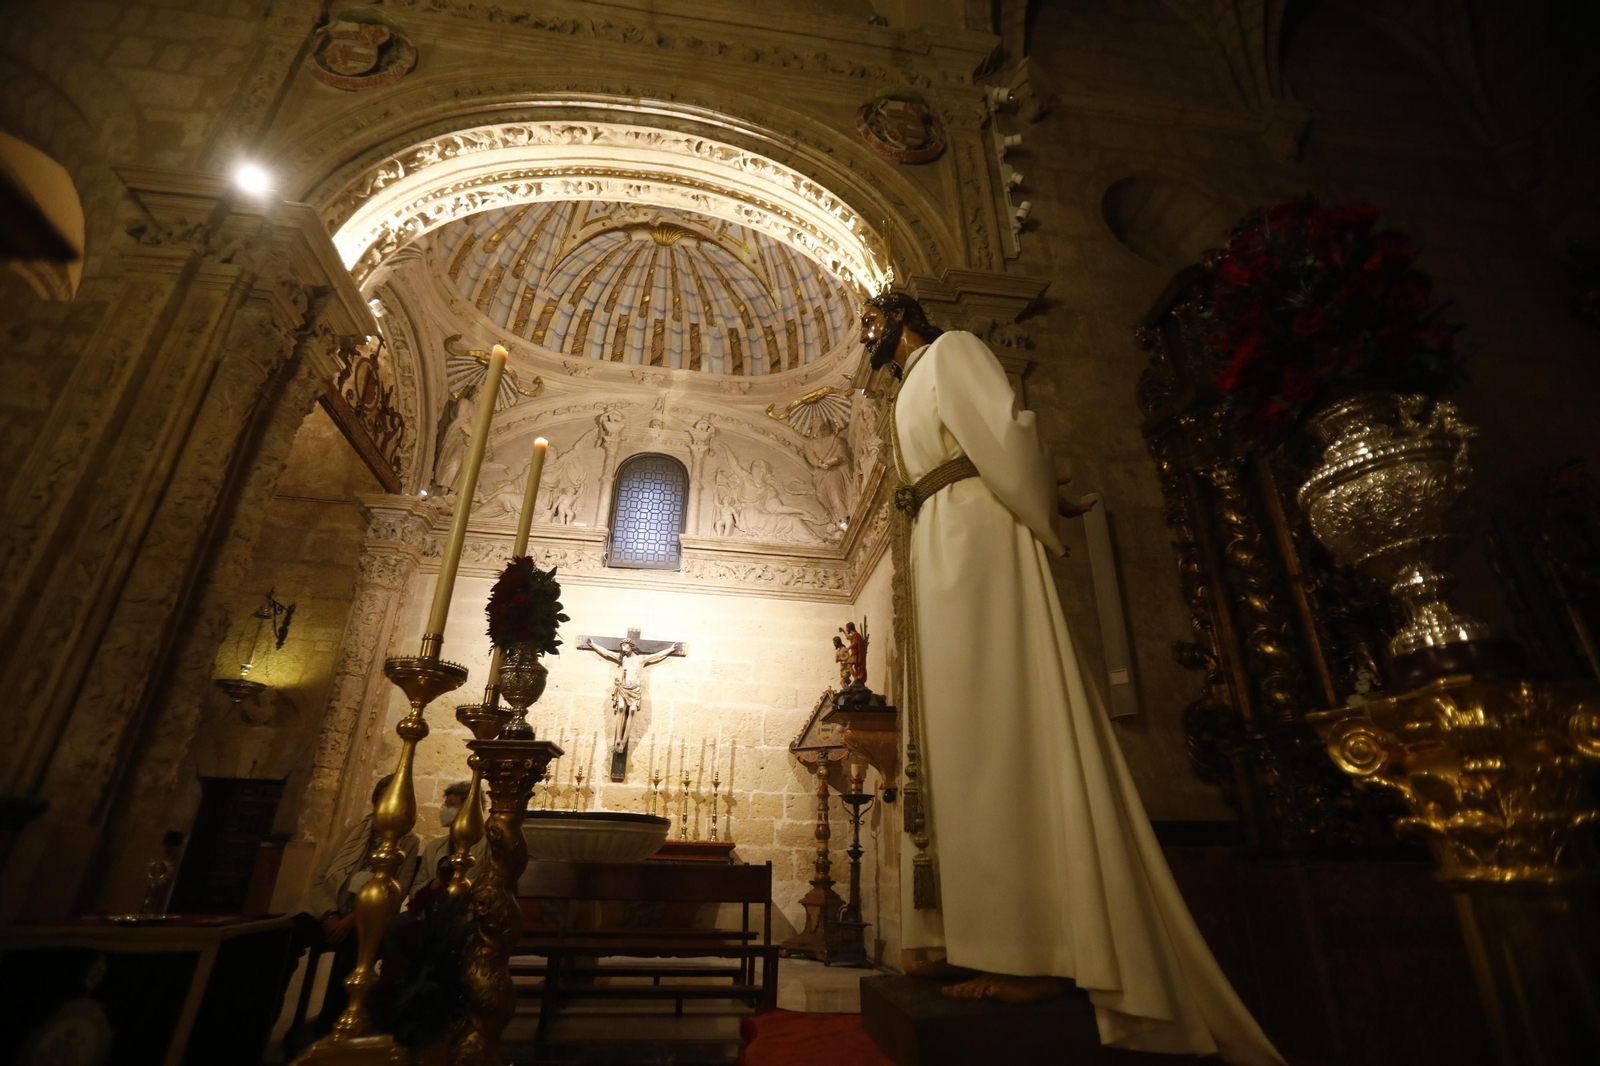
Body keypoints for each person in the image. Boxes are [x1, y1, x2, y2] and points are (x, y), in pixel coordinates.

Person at [861, 292, 1283, 1065]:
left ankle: (1039, 953)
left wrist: (1041, 504)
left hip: (976, 539)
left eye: (872, 323)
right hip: (939, 545)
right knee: (960, 745)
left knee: (1002, 727)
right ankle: (970, 935)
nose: (867, 339)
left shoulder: (952, 350)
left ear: (903, 317)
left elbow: (1007, 431)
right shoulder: (904, 388)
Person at [306, 774, 421, 1037]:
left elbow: (398, 888)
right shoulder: (352, 834)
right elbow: (321, 879)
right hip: (332, 914)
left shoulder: (409, 841)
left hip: (368, 919)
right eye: (383, 796)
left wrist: (352, 919)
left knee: (356, 946)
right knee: (290, 933)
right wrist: (329, 916)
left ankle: (335, 1022)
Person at [413, 780, 488, 899]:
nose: (444, 809)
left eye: (451, 804)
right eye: (446, 804)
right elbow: (415, 888)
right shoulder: (434, 847)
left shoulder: (488, 846)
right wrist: (432, 884)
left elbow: (489, 886)